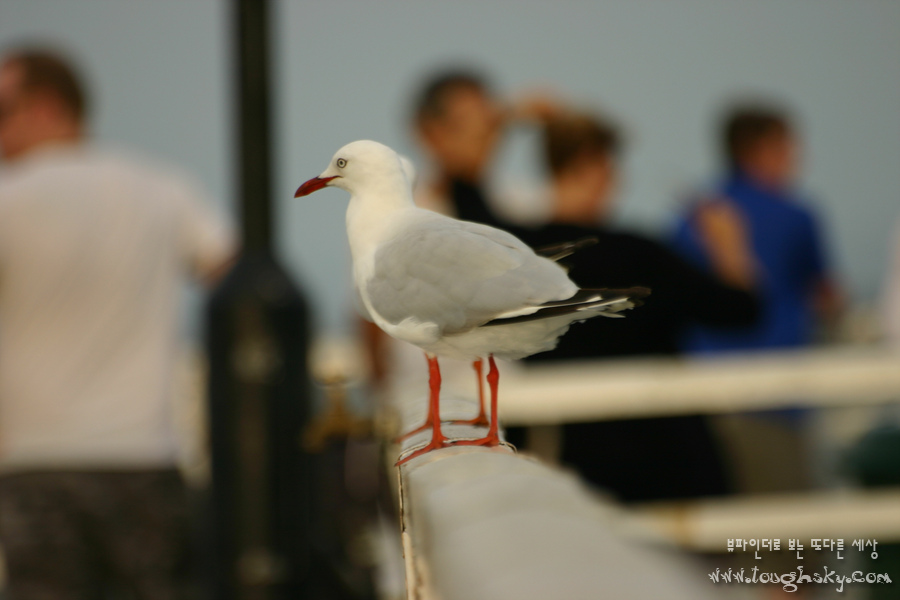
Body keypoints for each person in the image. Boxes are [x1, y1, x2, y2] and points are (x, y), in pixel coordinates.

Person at [0, 47, 234, 600]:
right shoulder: (163, 188)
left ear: (49, 106)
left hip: (35, 462)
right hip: (146, 457)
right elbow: (233, 278)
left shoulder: (8, 200)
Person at [505, 111, 760, 502]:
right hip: (671, 463)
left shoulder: (520, 258)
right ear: (596, 165)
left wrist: (508, 117)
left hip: (574, 467)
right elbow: (741, 311)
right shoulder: (642, 256)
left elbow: (465, 193)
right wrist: (730, 244)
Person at [671, 103, 843, 495]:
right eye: (789, 146)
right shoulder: (796, 216)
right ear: (763, 148)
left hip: (704, 397)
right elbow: (827, 296)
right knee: (784, 542)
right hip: (776, 398)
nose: (798, 158)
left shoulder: (690, 218)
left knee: (727, 542)